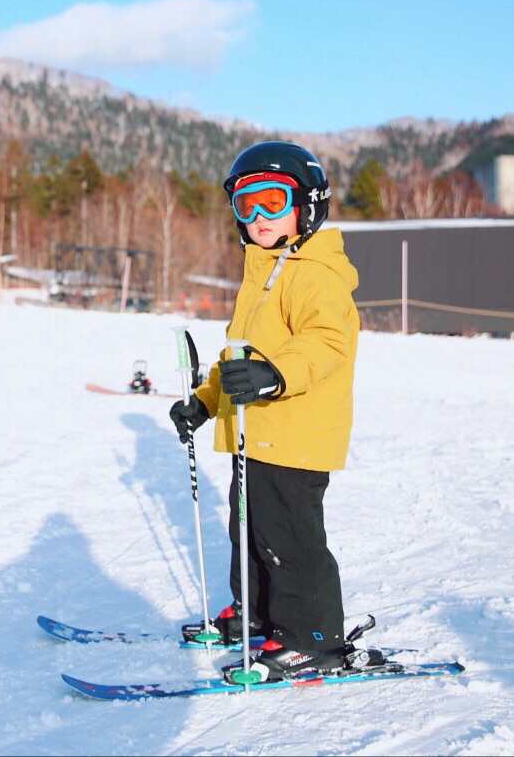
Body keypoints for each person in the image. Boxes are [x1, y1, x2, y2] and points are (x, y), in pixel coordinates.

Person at [168, 141, 362, 682]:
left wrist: (276, 376)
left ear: (308, 206)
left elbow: (327, 343)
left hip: (295, 435)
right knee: (250, 532)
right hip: (253, 434)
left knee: (290, 539)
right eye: (245, 205)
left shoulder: (314, 274)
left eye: (272, 202)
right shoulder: (260, 276)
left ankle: (312, 637)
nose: (257, 218)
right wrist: (205, 403)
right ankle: (256, 614)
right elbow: (237, 358)